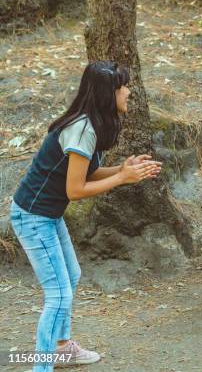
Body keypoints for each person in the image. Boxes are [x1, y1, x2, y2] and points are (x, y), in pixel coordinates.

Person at [9, 61, 162, 371]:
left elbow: (86, 173)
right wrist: (122, 179)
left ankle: (63, 348)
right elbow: (75, 190)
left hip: (46, 215)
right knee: (59, 293)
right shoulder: (81, 128)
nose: (129, 91)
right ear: (109, 93)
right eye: (123, 86)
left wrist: (121, 170)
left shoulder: (92, 124)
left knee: (72, 277)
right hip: (33, 217)